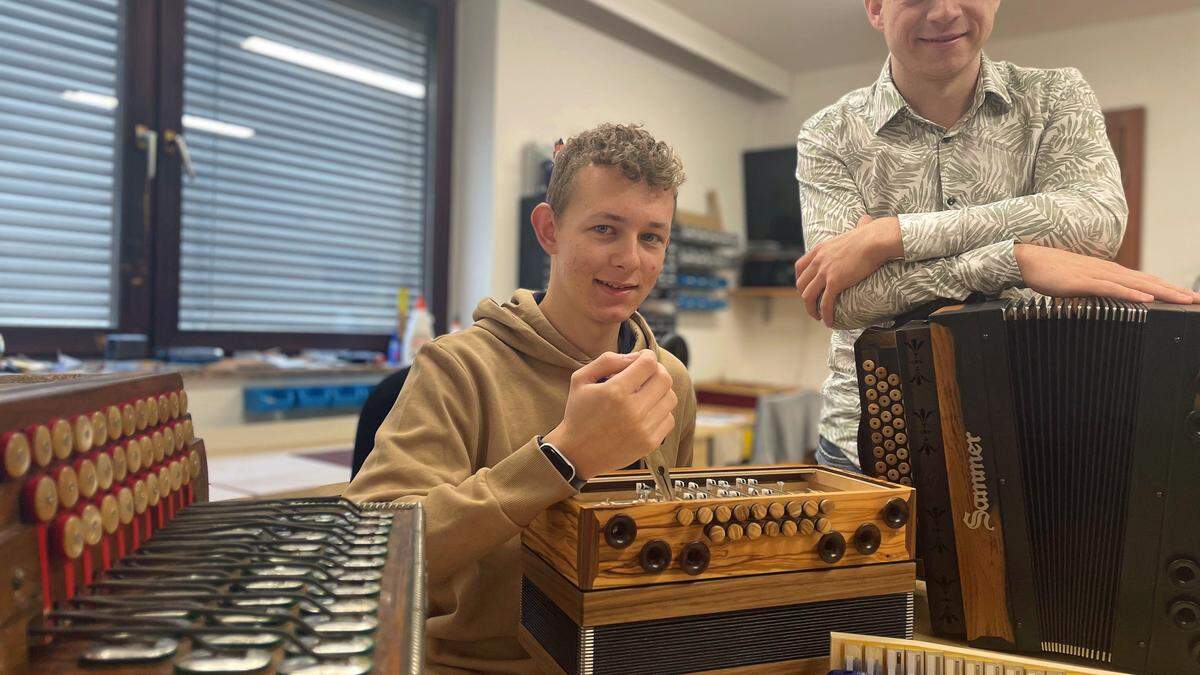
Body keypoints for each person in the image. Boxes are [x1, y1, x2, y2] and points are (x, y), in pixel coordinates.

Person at [345, 123, 697, 673]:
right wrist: (561, 457)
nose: (631, 260)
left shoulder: (669, 380)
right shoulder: (458, 367)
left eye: (652, 237)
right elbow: (369, 554)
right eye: (605, 229)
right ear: (549, 229)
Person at [792, 0, 1199, 470]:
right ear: (876, 8)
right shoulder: (828, 133)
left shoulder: (1057, 95)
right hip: (867, 437)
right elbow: (843, 301)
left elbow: (1097, 218)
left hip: (1035, 429)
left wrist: (894, 235)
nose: (944, 12)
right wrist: (1016, 260)